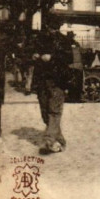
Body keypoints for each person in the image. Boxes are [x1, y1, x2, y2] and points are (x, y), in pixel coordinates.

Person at [32, 18, 74, 153]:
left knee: (54, 111)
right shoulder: (40, 39)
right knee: (45, 113)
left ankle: (49, 141)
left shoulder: (64, 41)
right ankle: (60, 140)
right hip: (42, 80)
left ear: (58, 28)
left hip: (58, 80)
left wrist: (52, 58)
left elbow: (69, 59)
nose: (50, 30)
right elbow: (28, 53)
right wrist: (34, 55)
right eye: (49, 27)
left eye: (53, 28)